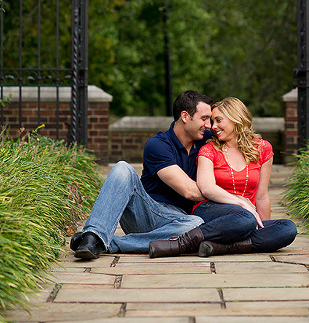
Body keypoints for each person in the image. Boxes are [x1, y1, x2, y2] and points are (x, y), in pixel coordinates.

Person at [71, 90, 213, 259]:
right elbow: (188, 191)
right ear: (185, 116)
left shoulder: (206, 139)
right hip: (145, 211)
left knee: (195, 224)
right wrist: (225, 195)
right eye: (204, 119)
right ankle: (92, 235)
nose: (209, 125)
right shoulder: (158, 145)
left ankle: (105, 243)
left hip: (176, 221)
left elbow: (237, 135)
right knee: (123, 168)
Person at [148, 97, 297, 257]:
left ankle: (219, 247)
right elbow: (206, 188)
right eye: (211, 121)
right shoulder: (209, 149)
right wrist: (241, 203)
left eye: (218, 120)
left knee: (288, 228)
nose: (212, 127)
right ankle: (182, 243)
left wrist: (263, 227)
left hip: (244, 216)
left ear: (236, 119)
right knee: (245, 218)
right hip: (210, 207)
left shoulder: (262, 149)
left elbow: (261, 196)